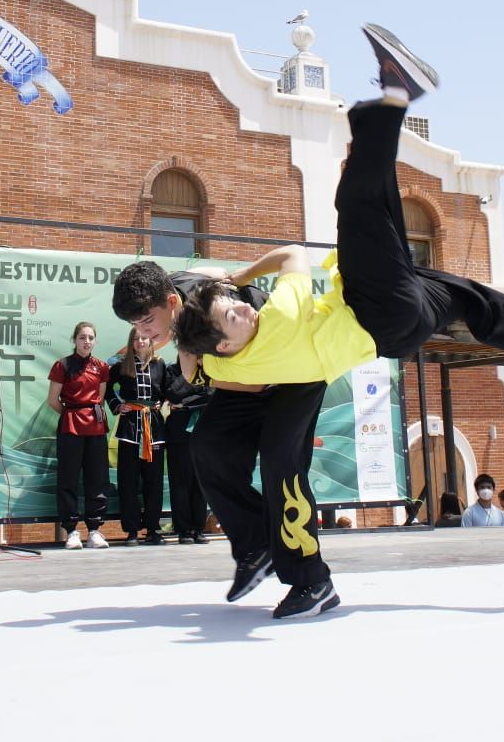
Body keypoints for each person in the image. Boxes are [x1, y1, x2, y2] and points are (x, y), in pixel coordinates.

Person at [170, 23, 504, 390]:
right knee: (356, 204)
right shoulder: (280, 317)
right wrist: (238, 276)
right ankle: (397, 90)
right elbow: (293, 256)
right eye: (234, 313)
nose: (245, 305)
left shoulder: (233, 363)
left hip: (396, 338)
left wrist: (191, 321)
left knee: (469, 298)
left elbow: (192, 360)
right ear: (224, 341)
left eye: (236, 302)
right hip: (375, 309)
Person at [113, 259, 334, 618]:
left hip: (295, 372)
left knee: (282, 463)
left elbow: (254, 380)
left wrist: (191, 360)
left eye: (147, 321)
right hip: (244, 375)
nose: (143, 332)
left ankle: (313, 581)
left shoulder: (196, 321)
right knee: (208, 446)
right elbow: (215, 272)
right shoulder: (180, 291)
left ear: (171, 302)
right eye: (135, 324)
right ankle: (257, 545)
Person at [105, 329, 177, 545]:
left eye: (143, 337)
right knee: (128, 481)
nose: (140, 341)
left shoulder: (160, 364)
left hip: (154, 428)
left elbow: (168, 389)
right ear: (131, 341)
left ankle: (153, 528)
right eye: (135, 339)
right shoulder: (121, 366)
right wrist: (118, 405)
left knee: (153, 481)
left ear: (151, 340)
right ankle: (132, 530)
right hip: (129, 430)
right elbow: (107, 389)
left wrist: (161, 402)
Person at [48, 322, 113, 549]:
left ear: (95, 341)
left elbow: (100, 399)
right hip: (70, 426)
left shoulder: (102, 367)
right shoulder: (62, 365)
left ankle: (95, 530)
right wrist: (71, 414)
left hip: (95, 427)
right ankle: (72, 531)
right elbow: (53, 400)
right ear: (74, 340)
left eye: (91, 338)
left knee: (97, 478)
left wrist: (88, 413)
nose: (87, 341)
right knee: (68, 478)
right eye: (82, 337)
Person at [163, 352, 210, 545]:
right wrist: (187, 378)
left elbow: (210, 395)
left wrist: (184, 403)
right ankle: (183, 529)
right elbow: (172, 394)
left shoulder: (209, 372)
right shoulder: (172, 371)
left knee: (200, 482)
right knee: (180, 482)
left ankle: (198, 528)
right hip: (178, 434)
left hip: (203, 432)